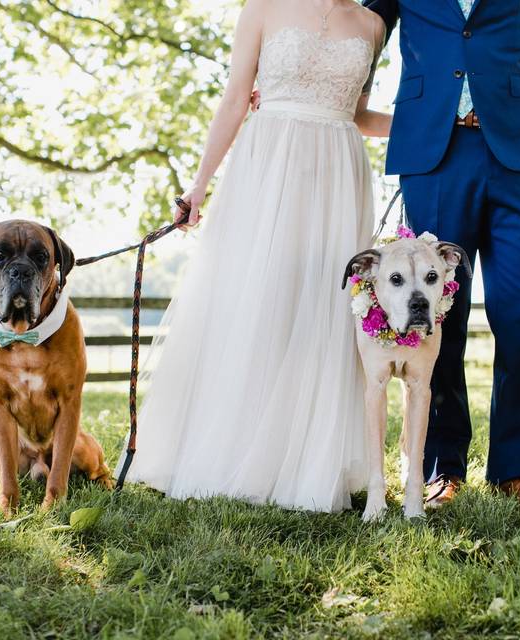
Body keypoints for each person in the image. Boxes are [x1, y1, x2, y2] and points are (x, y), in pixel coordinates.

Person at [117, 0, 389, 512]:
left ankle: (307, 461)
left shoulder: (373, 24)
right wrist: (198, 187)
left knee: (323, 318)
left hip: (338, 175)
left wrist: (428, 123)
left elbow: (358, 113)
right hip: (269, 167)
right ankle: (232, 452)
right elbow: (235, 99)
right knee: (257, 304)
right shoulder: (263, 8)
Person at [362, 0, 520, 507]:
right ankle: (443, 468)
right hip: (434, 153)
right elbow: (363, 28)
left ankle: (511, 471)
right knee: (436, 314)